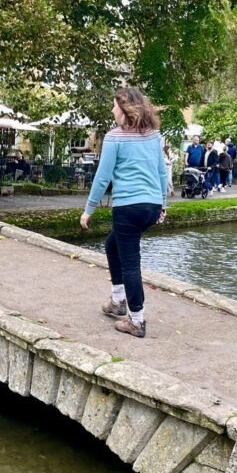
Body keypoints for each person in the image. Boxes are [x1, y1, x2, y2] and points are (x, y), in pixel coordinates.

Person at [79, 88, 168, 339]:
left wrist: (89, 210)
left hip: (128, 207)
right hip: (150, 206)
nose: (112, 110)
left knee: (130, 263)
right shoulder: (153, 136)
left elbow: (102, 177)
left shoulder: (115, 138)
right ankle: (117, 301)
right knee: (112, 246)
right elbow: (162, 173)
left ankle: (137, 320)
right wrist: (162, 205)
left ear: (125, 109)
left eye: (115, 106)